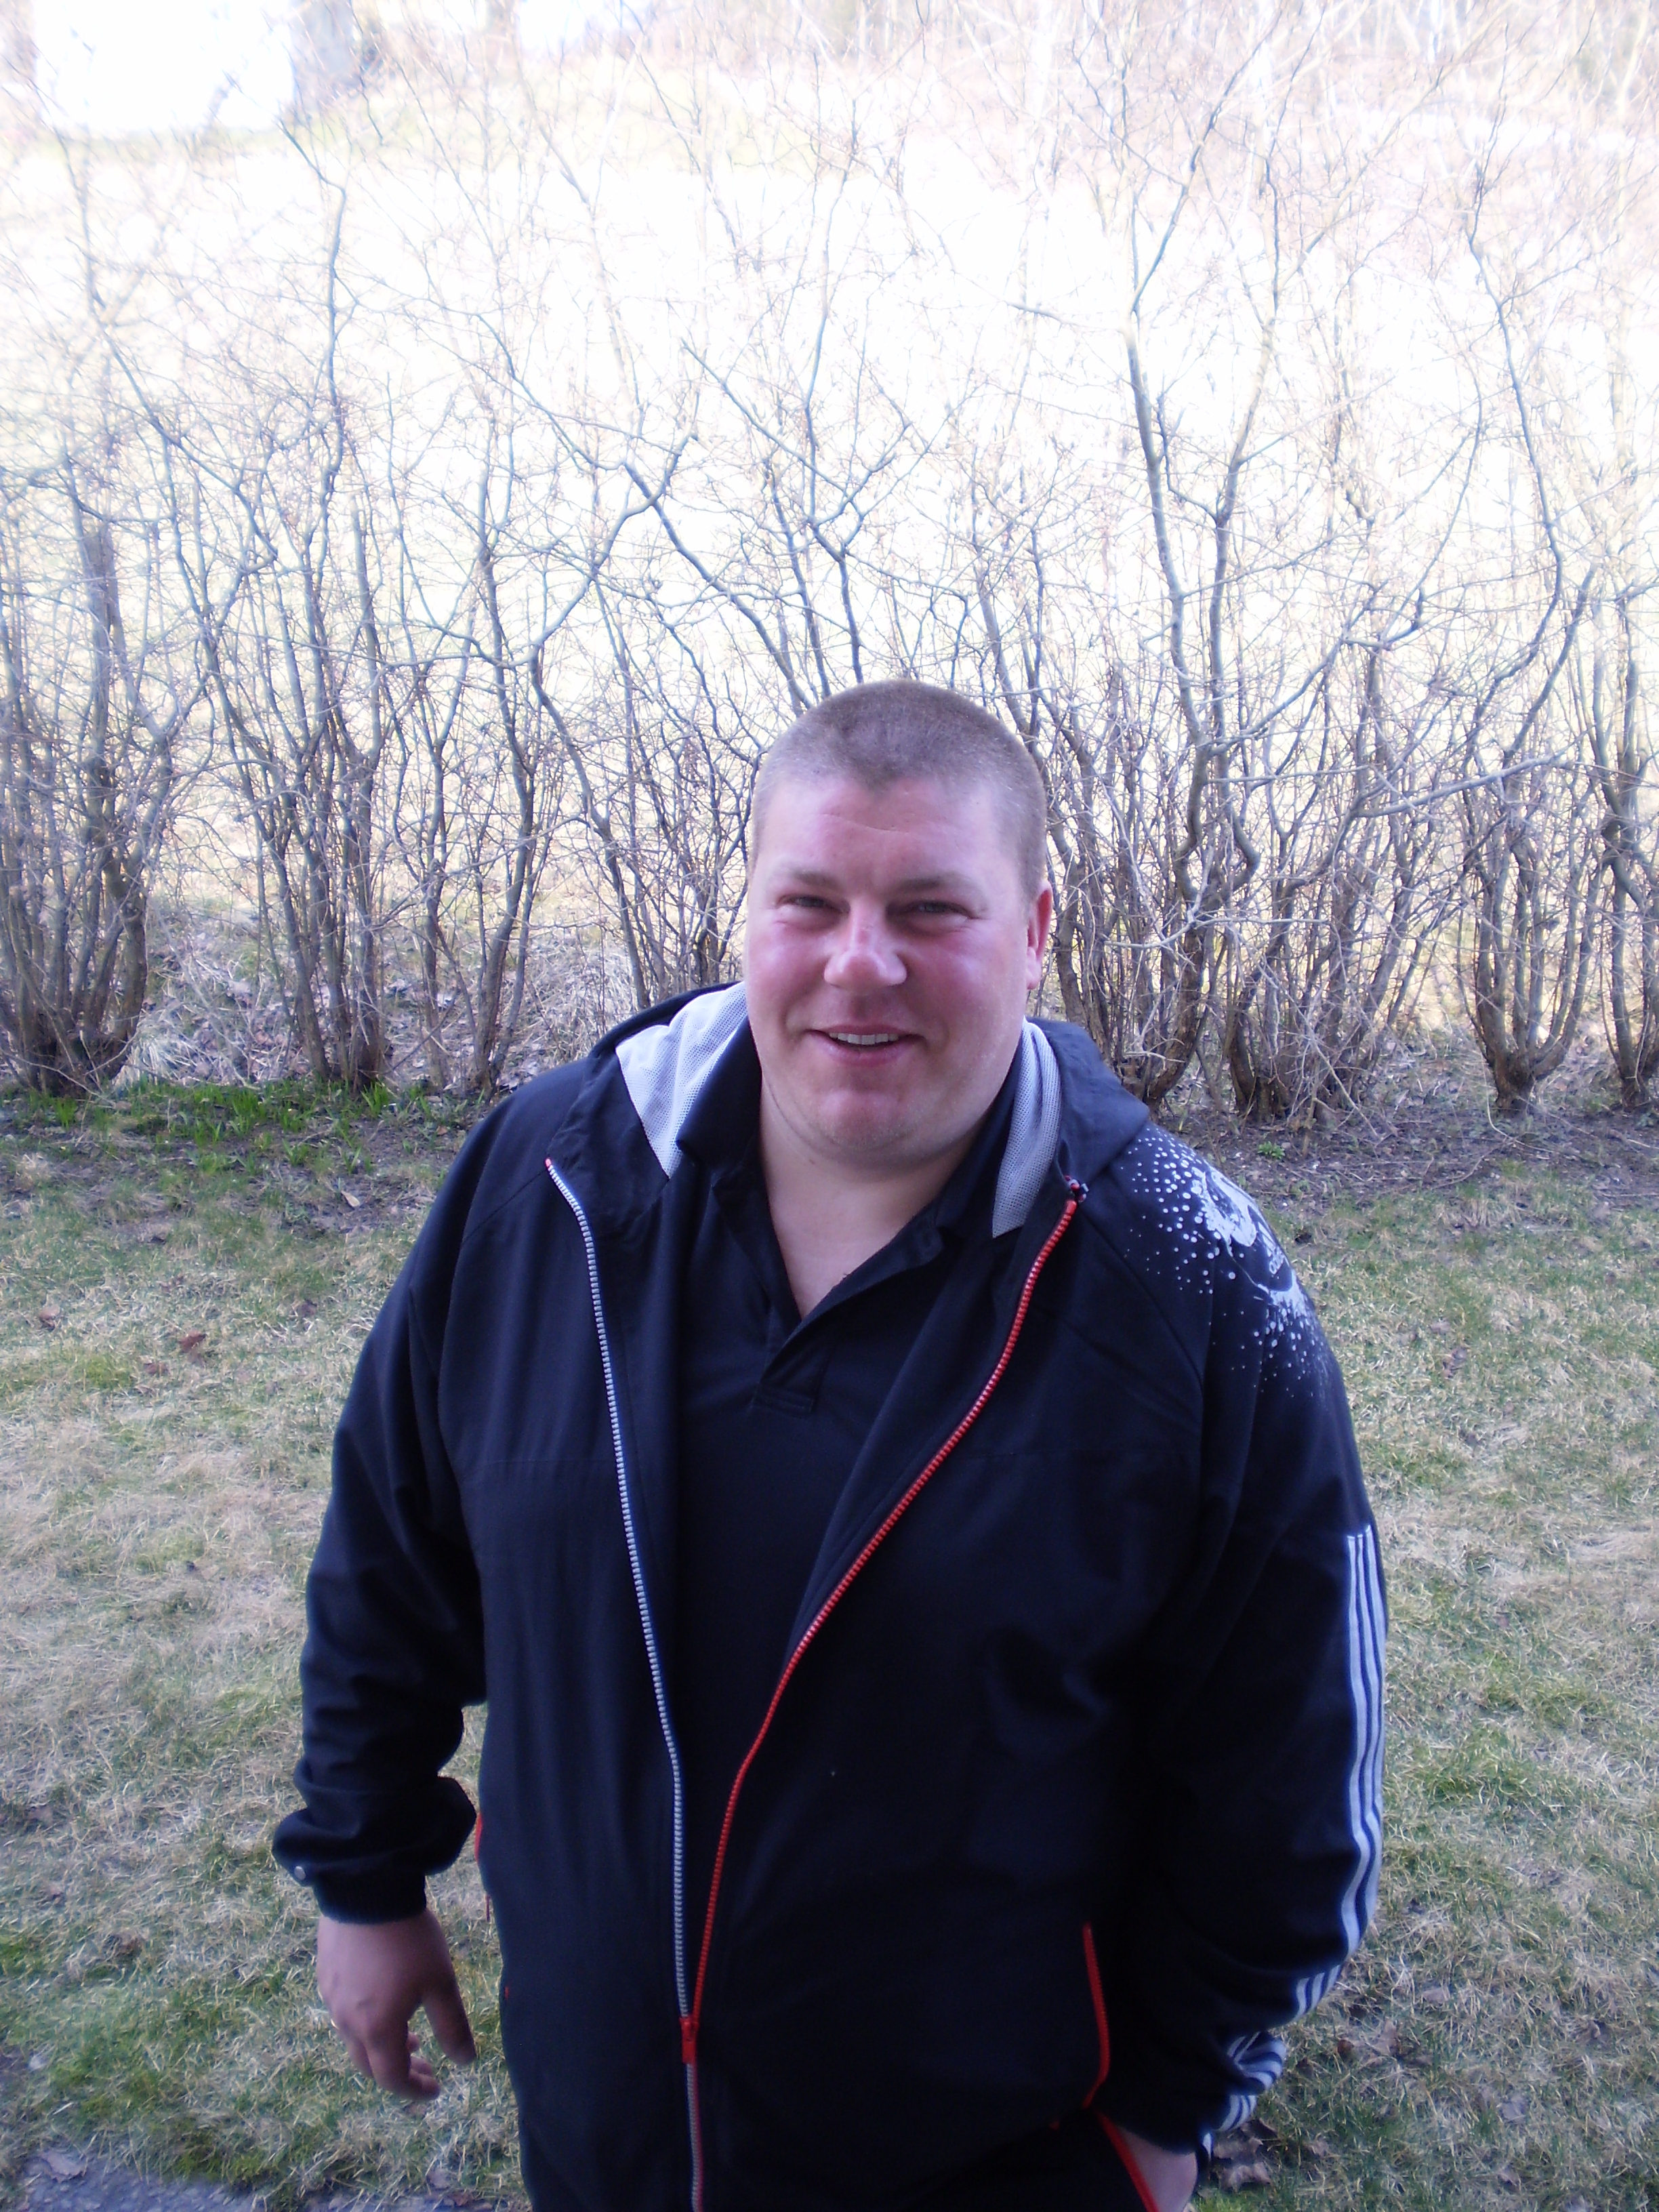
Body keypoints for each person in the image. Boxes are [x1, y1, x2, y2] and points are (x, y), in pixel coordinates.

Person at [274, 680, 1385, 2212]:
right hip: (604, 2133)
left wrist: (1167, 2108)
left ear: (1035, 928)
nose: (863, 963)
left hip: (1000, 2161)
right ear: (748, 913)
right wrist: (364, 1872)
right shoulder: (551, 1183)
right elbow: (391, 1546)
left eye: (932, 909)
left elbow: (1290, 1765)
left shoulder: (1192, 1285)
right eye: (811, 903)